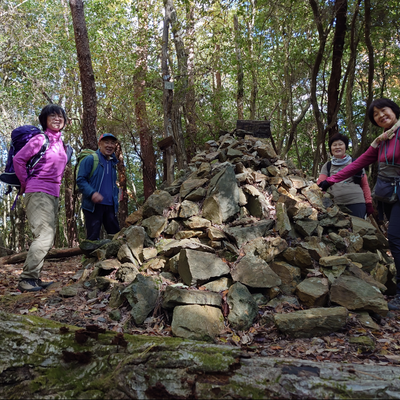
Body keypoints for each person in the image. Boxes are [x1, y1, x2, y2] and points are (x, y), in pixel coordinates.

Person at [319, 98, 400, 310]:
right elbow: (356, 165)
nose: (381, 115)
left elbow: (362, 179)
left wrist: (367, 202)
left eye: (384, 110)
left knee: (395, 238)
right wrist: (329, 181)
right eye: (376, 114)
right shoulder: (381, 141)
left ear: (394, 110)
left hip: (386, 197)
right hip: (390, 197)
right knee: (394, 239)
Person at [14, 104, 71, 292]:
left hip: (53, 194)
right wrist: (24, 182)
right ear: (45, 120)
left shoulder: (61, 144)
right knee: (44, 235)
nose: (57, 118)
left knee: (47, 236)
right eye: (52, 116)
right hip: (38, 191)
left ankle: (34, 278)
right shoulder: (41, 139)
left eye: (60, 116)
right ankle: (27, 279)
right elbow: (19, 159)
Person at [317, 133, 373, 218]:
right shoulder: (327, 166)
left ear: (345, 147)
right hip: (335, 205)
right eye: (334, 145)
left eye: (340, 144)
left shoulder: (356, 163)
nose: (337, 147)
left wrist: (368, 203)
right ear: (331, 148)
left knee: (357, 230)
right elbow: (320, 183)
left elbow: (365, 185)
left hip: (356, 202)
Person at [76, 133, 120, 241]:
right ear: (99, 144)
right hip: (93, 206)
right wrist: (92, 193)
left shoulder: (113, 163)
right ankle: (90, 258)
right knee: (92, 239)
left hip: (110, 206)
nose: (110, 145)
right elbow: (80, 180)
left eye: (112, 143)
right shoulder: (90, 159)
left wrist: (117, 196)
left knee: (116, 238)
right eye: (106, 142)